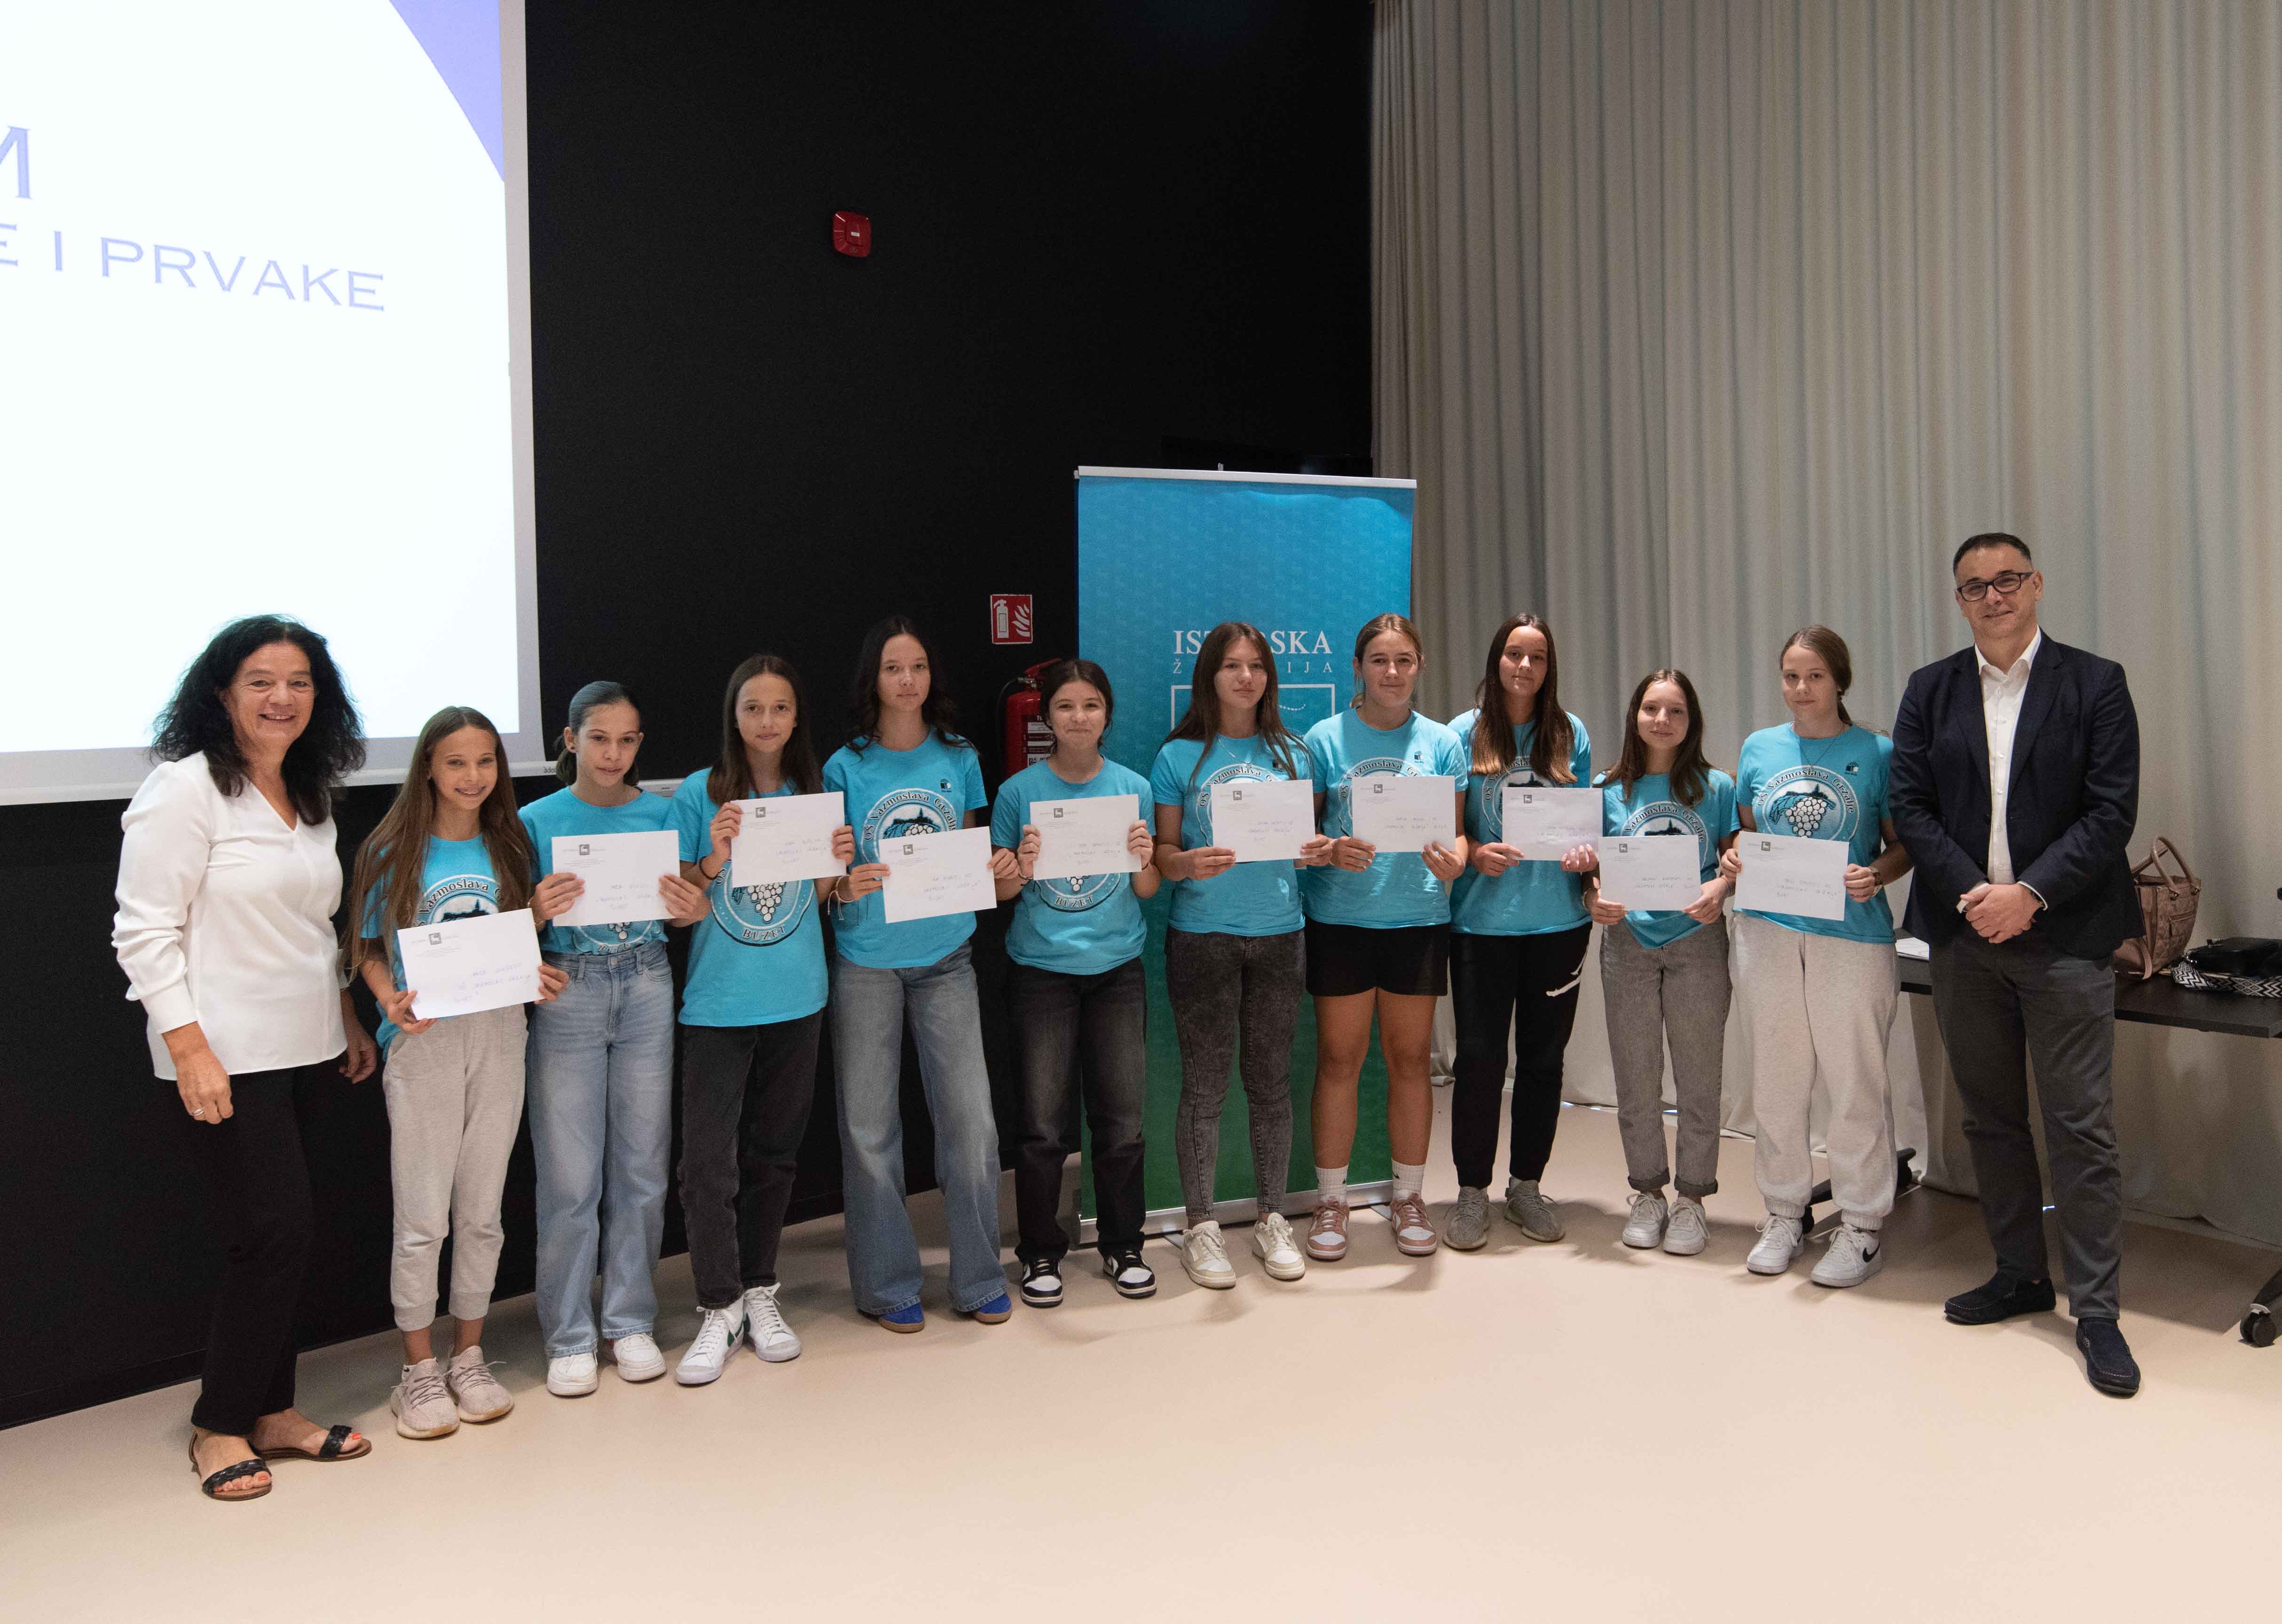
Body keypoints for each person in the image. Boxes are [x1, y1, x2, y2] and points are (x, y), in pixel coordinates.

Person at [112, 615, 379, 1501]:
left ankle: (273, 1411)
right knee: (272, 1233)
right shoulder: (184, 789)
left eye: (299, 681)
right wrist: (188, 1046)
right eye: (261, 680)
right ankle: (218, 1423)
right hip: (224, 1051)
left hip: (307, 1044)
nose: (281, 698)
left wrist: (346, 1014)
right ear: (221, 691)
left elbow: (311, 928)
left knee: (289, 1238)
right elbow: (142, 930)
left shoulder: (308, 793)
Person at [1889, 533, 2143, 1397]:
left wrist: (2028, 894)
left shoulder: (2094, 683)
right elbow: (1910, 807)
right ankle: (2019, 1273)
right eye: (1974, 586)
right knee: (1990, 1120)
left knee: (2080, 1127)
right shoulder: (1929, 689)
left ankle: (2097, 1310)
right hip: (1964, 936)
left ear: (2035, 584)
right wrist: (1976, 895)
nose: (1991, 596)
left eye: (2005, 580)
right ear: (1958, 600)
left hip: (2064, 937)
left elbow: (2109, 812)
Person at [350, 706, 568, 1437]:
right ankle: (417, 1369)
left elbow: (508, 943)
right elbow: (368, 946)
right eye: (455, 762)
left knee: (481, 1210)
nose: (472, 776)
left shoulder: (508, 845)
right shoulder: (394, 849)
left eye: (485, 761)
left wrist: (537, 968)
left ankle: (468, 1354)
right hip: (426, 1043)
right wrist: (388, 997)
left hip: (501, 1033)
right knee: (423, 1216)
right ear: (428, 769)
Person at [824, 617, 1021, 1332]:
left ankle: (978, 1277)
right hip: (866, 961)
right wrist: (844, 882)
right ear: (872, 680)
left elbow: (968, 857)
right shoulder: (843, 766)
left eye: (917, 667)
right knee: (869, 1130)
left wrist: (999, 868)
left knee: (971, 1122)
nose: (907, 680)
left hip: (947, 959)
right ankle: (887, 1284)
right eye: (892, 668)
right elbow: (830, 872)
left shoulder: (960, 756)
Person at [669, 655, 855, 1384]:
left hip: (797, 995)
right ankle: (718, 1304)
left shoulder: (815, 793)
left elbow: (820, 894)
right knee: (706, 1165)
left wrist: (836, 867)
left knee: (774, 1155)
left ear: (796, 717)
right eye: (753, 707)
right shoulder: (699, 793)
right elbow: (675, 904)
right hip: (719, 1001)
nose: (767, 721)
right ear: (734, 715)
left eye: (780, 707)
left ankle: (759, 1288)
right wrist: (713, 859)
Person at [520, 682, 708, 1397]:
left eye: (627, 740)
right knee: (570, 1176)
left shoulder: (663, 813)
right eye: (599, 738)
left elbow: (685, 905)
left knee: (641, 1165)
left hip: (647, 980)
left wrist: (690, 906)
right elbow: (509, 926)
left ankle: (628, 1319)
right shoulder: (535, 819)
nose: (613, 754)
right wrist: (534, 911)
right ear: (572, 739)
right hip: (569, 988)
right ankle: (569, 1333)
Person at [1722, 630, 1912, 1286]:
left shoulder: (1877, 752)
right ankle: (1783, 1212)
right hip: (1766, 931)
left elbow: (1902, 845)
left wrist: (1876, 875)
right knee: (1776, 1080)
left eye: (1815, 676)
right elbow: (1746, 833)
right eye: (1790, 676)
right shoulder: (1758, 748)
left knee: (1855, 1082)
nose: (1801, 688)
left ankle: (1861, 1224)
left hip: (1850, 937)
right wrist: (1733, 855)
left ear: (1839, 681)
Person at [1150, 621, 1330, 1289]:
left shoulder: (1293, 752)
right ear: (1210, 675)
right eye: (1232, 665)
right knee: (1204, 1086)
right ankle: (1200, 1225)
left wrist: (1314, 850)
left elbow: (1304, 845)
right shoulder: (1178, 757)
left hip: (1281, 933)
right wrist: (1185, 863)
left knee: (1270, 1083)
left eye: (1256, 665)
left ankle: (1271, 1217)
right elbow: (1163, 856)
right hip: (1202, 936)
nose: (1246, 676)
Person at [990, 660, 1161, 1307]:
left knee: (1121, 1121)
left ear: (1107, 714)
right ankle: (1039, 1252)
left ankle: (1124, 1244)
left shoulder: (1133, 788)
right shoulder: (1019, 792)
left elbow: (1147, 889)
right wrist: (1022, 866)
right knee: (1041, 1127)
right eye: (1065, 706)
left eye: (1091, 705)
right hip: (1042, 971)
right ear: (1047, 717)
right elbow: (1001, 891)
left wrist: (1145, 859)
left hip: (1117, 970)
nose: (1079, 717)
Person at [1300, 613, 1469, 1262]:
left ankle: (1408, 1196)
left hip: (1417, 921)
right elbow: (1302, 839)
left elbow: (1457, 833)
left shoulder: (1442, 743)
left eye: (1403, 660)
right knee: (1338, 1060)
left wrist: (1455, 860)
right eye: (1379, 660)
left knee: (1410, 1061)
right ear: (1358, 668)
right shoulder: (1323, 739)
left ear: (1419, 666)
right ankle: (1331, 1201)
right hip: (1340, 920)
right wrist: (1329, 849)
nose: (1391, 672)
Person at [1444, 613, 1597, 1250]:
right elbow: (1451, 827)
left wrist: (1585, 854)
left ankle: (1526, 1185)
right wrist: (1476, 852)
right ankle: (1471, 1191)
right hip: (1480, 923)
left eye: (1536, 657)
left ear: (1549, 666)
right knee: (1479, 1060)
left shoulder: (1570, 732)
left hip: (1558, 923)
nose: (1524, 667)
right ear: (1496, 660)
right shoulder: (1462, 733)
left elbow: (1583, 824)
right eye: (1514, 654)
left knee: (1543, 1062)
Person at [1586, 669, 1739, 1257]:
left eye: (1676, 710)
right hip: (1629, 942)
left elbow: (1734, 854)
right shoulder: (1606, 789)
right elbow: (1589, 869)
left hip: (1698, 941)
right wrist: (1592, 898)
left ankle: (1693, 1198)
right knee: (1636, 1076)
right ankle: (1648, 1192)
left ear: (1691, 720)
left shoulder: (1716, 786)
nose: (1662, 720)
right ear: (1635, 715)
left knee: (1700, 1076)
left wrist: (1722, 886)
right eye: (1652, 708)